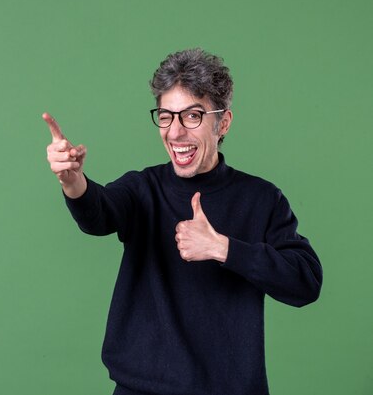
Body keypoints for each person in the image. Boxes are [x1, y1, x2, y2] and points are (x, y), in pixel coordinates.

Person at [42, 48, 323, 395]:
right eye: (166, 116)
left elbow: (306, 282)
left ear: (223, 122)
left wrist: (223, 248)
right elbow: (99, 213)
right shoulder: (144, 188)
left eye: (192, 116)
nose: (175, 133)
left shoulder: (261, 199)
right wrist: (72, 180)